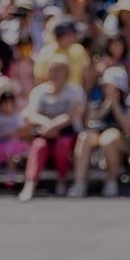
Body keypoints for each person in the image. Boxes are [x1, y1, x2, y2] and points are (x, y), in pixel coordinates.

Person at [20, 55, 86, 201]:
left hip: (67, 131)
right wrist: (47, 125)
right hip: (44, 132)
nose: (55, 74)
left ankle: (62, 181)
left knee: (63, 145)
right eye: (52, 70)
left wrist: (53, 126)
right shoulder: (39, 91)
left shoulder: (75, 91)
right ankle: (30, 184)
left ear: (67, 74)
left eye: (59, 71)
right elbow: (32, 114)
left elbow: (72, 115)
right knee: (38, 146)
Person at [70, 67, 130, 198]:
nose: (108, 90)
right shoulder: (96, 101)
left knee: (108, 140)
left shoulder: (129, 106)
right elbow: (89, 121)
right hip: (96, 133)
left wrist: (115, 105)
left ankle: (111, 181)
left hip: (116, 136)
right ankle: (79, 183)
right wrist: (107, 105)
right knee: (84, 138)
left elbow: (127, 128)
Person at [0, 79, 31, 188]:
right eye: (5, 104)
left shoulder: (17, 117)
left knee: (10, 151)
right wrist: (0, 135)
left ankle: (11, 174)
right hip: (0, 142)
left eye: (10, 104)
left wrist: (12, 134)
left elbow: (21, 131)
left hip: (13, 142)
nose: (8, 107)